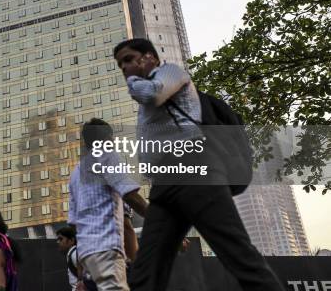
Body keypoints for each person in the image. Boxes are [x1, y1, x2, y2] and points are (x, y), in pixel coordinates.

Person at [114, 38, 282, 291]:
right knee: (145, 272)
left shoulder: (170, 72)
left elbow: (152, 95)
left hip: (195, 172)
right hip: (166, 182)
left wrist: (135, 78)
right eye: (120, 65)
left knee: (238, 255)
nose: (124, 68)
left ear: (149, 57)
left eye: (128, 60)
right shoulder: (146, 86)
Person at [69, 118, 148, 291]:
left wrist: (81, 274)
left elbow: (76, 225)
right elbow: (131, 196)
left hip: (86, 255)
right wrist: (160, 221)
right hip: (107, 249)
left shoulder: (75, 173)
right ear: (108, 139)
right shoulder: (107, 156)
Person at [56, 226, 97, 291]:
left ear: (71, 240)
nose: (58, 242)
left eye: (61, 239)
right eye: (57, 240)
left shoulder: (74, 254)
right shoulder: (72, 254)